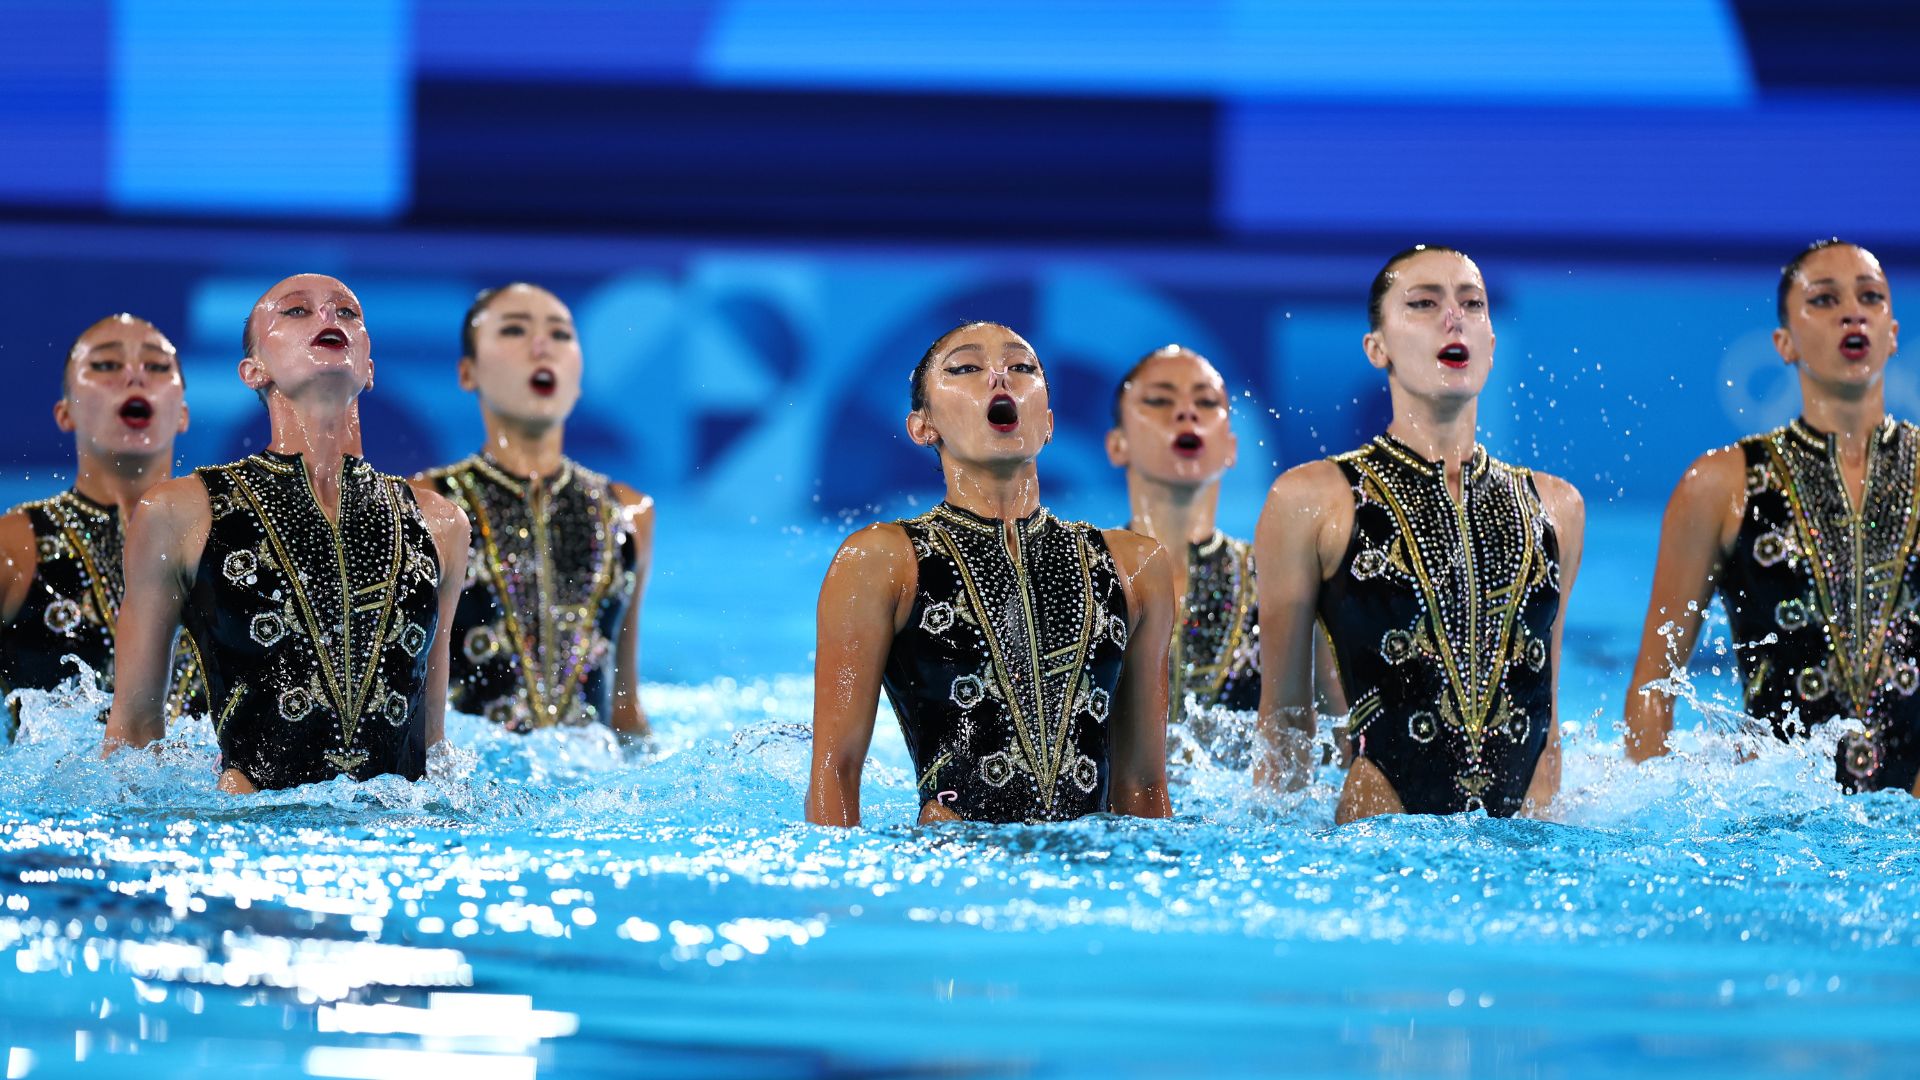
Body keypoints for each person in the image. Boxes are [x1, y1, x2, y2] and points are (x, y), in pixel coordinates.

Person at [1253, 246, 1585, 822]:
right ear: (1376, 347)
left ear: (1491, 341)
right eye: (1424, 303)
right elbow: (1284, 719)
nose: (1452, 317)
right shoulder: (1313, 499)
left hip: (1527, 859)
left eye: (1471, 304)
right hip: (1379, 853)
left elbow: (1546, 720)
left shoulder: (1556, 506)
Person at [101, 274, 468, 792]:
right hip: (253, 836)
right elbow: (134, 732)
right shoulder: (180, 512)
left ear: (368, 369)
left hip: (398, 842)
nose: (328, 318)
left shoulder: (441, 523)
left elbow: (432, 746)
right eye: (297, 311)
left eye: (347, 312)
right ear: (254, 371)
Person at [806, 321, 1176, 826]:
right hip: (954, 871)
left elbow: (1144, 787)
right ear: (923, 426)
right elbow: (836, 772)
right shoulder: (881, 560)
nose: (1000, 378)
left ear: (1047, 422)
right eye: (966, 368)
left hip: (1088, 875)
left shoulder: (1136, 567)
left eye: (1021, 368)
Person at [1625, 239, 1919, 796]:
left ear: (1893, 332)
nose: (1853, 312)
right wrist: (1653, 817)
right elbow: (1652, 685)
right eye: (1825, 300)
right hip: (1779, 832)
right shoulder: (1719, 485)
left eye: (1871, 297)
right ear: (1783, 343)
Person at [419, 284, 653, 737]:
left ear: (580, 375)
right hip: (471, 792)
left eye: (561, 335)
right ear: (467, 373)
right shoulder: (427, 504)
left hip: (595, 789)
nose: (541, 345)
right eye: (513, 330)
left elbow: (624, 707)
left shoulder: (630, 512)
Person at [0, 315, 204, 734]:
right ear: (65, 412)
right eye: (107, 365)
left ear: (183, 413)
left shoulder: (229, 537)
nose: (134, 377)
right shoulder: (18, 545)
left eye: (157, 367)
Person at [1106, 346, 1260, 715]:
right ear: (1117, 445)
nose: (1186, 412)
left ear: (1231, 448)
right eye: (1159, 400)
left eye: (1206, 402)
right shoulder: (1081, 573)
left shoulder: (1273, 583)